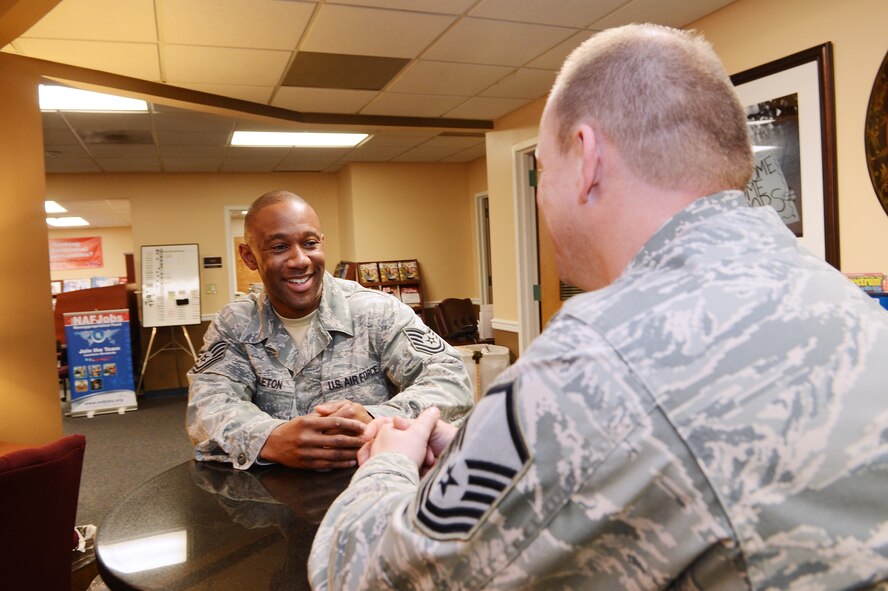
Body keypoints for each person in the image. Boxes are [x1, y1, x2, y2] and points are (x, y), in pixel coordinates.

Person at [308, 24, 888, 590]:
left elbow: (370, 575)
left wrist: (389, 463)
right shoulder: (844, 301)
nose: (542, 194)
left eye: (544, 170)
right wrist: (469, 450)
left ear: (586, 158)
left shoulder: (597, 353)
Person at [186, 190, 472, 471]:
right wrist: (269, 438)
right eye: (279, 247)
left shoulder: (377, 312)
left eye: (309, 243)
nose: (300, 260)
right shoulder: (235, 325)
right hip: (273, 493)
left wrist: (377, 417)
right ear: (249, 257)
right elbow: (206, 406)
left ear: (322, 243)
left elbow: (449, 380)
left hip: (373, 483)